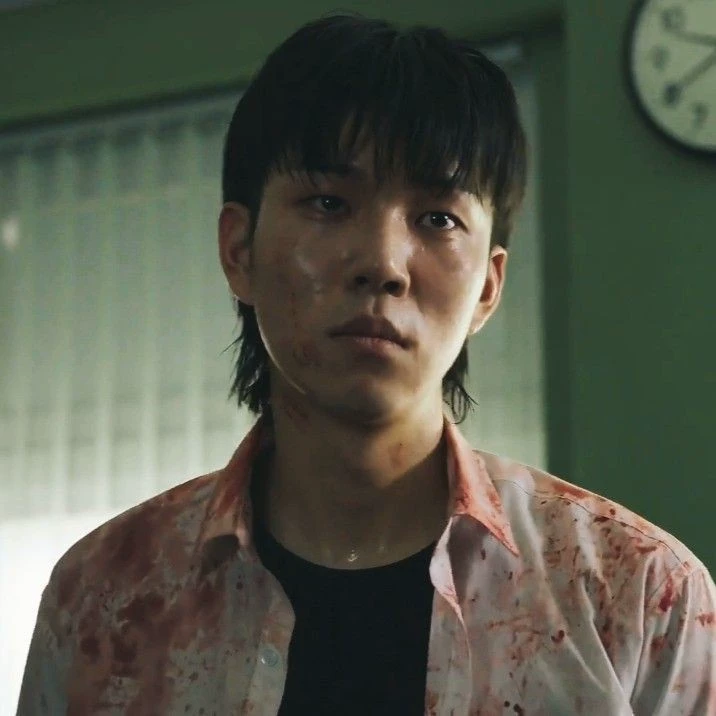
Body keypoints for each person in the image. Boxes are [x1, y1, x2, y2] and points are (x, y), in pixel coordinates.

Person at [17, 12, 715, 716]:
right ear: (239, 250)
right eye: (328, 203)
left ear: (489, 286)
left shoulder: (638, 595)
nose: (382, 263)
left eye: (437, 218)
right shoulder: (104, 601)